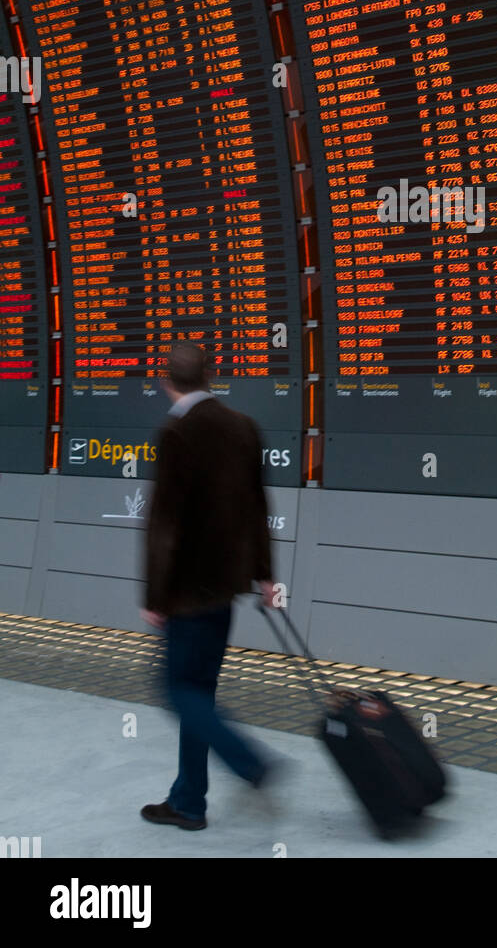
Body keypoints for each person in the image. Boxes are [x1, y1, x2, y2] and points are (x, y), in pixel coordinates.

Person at [140, 339, 278, 831]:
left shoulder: (176, 432)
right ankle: (188, 803)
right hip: (226, 588)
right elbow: (258, 508)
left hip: (186, 591)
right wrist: (265, 575)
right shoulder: (243, 427)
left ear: (165, 379)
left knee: (178, 690)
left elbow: (164, 525)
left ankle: (249, 761)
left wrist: (155, 597)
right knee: (198, 691)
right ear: (210, 374)